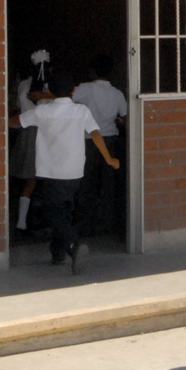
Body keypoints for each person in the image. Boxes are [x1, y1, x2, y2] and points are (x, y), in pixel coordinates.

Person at [8, 69, 120, 273]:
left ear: (50, 90)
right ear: (73, 90)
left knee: (54, 214)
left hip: (51, 173)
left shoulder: (42, 111)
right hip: (75, 172)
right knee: (64, 212)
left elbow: (15, 122)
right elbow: (95, 134)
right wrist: (109, 159)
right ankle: (57, 253)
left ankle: (73, 245)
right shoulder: (82, 111)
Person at [73, 54, 128, 239]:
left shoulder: (85, 88)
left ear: (92, 72)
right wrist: (118, 121)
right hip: (110, 141)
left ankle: (86, 225)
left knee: (86, 184)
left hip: (89, 140)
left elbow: (67, 98)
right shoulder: (117, 93)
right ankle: (108, 223)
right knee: (108, 184)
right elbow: (125, 117)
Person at [9, 49, 53, 235]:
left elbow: (18, 108)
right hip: (47, 134)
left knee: (29, 181)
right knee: (47, 181)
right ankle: (43, 220)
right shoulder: (51, 87)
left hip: (26, 133)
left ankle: (21, 223)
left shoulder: (23, 85)